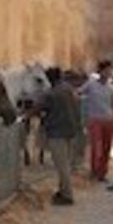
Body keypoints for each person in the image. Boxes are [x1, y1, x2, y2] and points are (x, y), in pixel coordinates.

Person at [37, 66, 81, 206]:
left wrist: (25, 115)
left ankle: (67, 195)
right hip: (70, 130)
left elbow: (39, 107)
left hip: (57, 132)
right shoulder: (69, 90)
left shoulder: (52, 93)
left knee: (62, 166)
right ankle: (62, 192)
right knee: (65, 163)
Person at [80, 60, 113, 182]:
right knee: (96, 147)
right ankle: (94, 171)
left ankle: (102, 173)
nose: (108, 73)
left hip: (108, 120)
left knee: (107, 148)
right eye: (106, 70)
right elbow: (78, 93)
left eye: (110, 71)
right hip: (95, 120)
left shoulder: (112, 88)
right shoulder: (91, 84)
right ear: (100, 71)